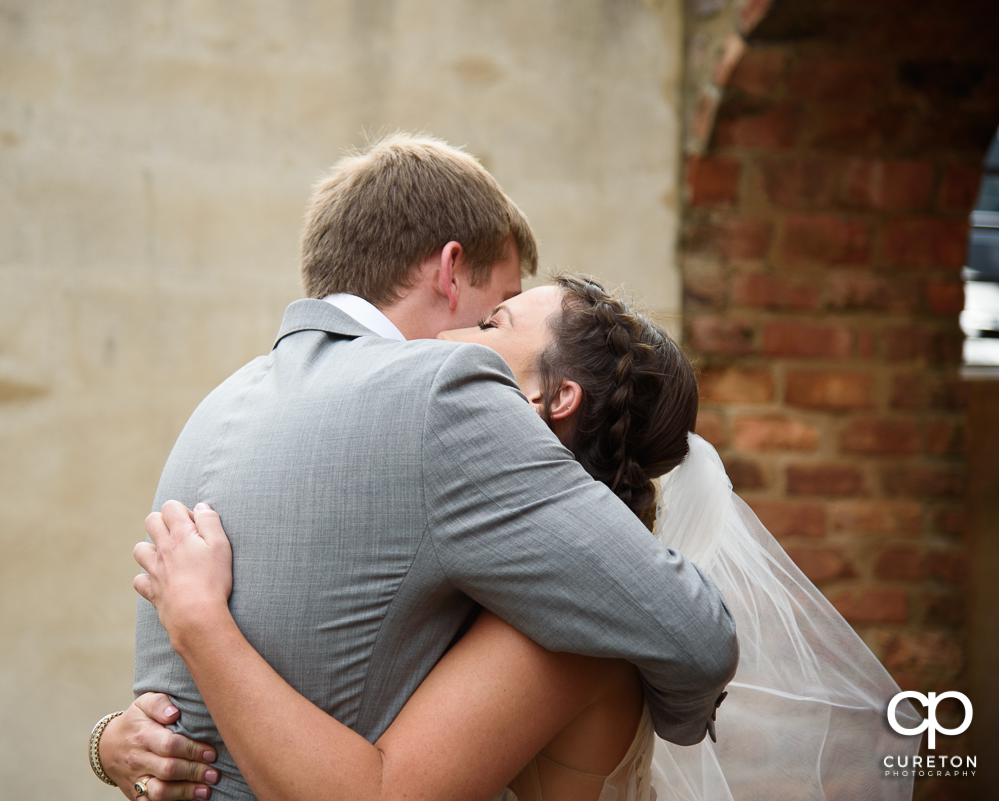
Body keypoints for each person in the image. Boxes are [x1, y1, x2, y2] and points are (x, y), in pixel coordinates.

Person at [92, 134, 738, 800]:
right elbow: (697, 637)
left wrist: (178, 654)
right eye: (491, 310)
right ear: (450, 269)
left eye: (496, 324)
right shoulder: (443, 394)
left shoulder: (220, 402)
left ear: (556, 399)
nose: (474, 343)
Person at [133, 276, 922, 801]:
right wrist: (117, 742)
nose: (450, 336)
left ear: (552, 396)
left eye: (490, 323)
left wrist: (202, 622)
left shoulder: (567, 627)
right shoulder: (495, 574)